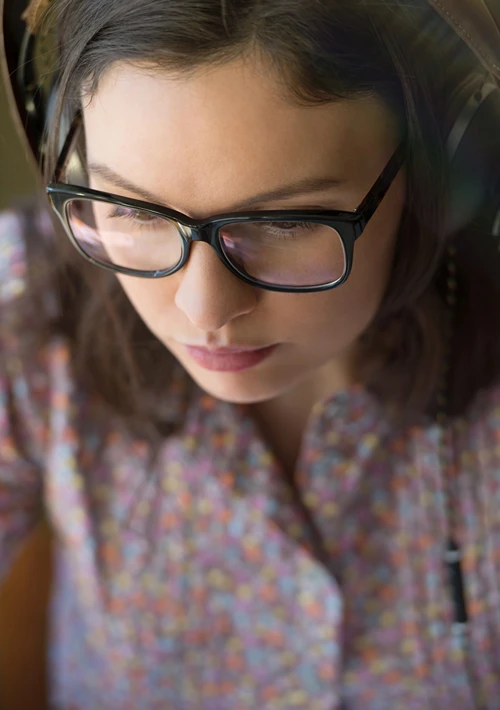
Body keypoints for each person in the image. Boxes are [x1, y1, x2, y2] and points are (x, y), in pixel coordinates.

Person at [1, 0, 500, 707]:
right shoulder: (27, 295)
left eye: (280, 222)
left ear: (434, 178)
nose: (201, 310)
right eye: (134, 211)